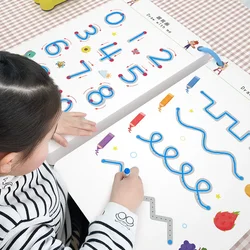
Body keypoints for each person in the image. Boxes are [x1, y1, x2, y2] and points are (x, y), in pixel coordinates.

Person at [0, 51, 144, 249]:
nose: (52, 132)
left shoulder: (9, 150)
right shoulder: (13, 231)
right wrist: (122, 210)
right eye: (47, 136)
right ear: (9, 162)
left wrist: (42, 120)